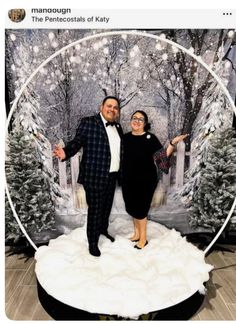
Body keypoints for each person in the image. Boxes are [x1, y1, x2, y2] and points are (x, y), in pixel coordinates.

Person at [53, 96, 123, 257]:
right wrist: (66, 152)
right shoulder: (89, 122)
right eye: (109, 106)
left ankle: (103, 230)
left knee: (106, 207)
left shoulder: (117, 127)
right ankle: (92, 242)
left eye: (115, 107)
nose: (112, 109)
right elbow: (77, 142)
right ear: (102, 107)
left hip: (112, 175)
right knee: (96, 210)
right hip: (95, 176)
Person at [121, 110, 188, 249]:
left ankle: (143, 240)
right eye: (134, 118)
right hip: (128, 180)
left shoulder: (151, 139)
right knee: (132, 207)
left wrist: (172, 143)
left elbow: (162, 158)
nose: (137, 121)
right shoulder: (125, 138)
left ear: (145, 124)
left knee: (140, 210)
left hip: (145, 181)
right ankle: (137, 234)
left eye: (141, 119)